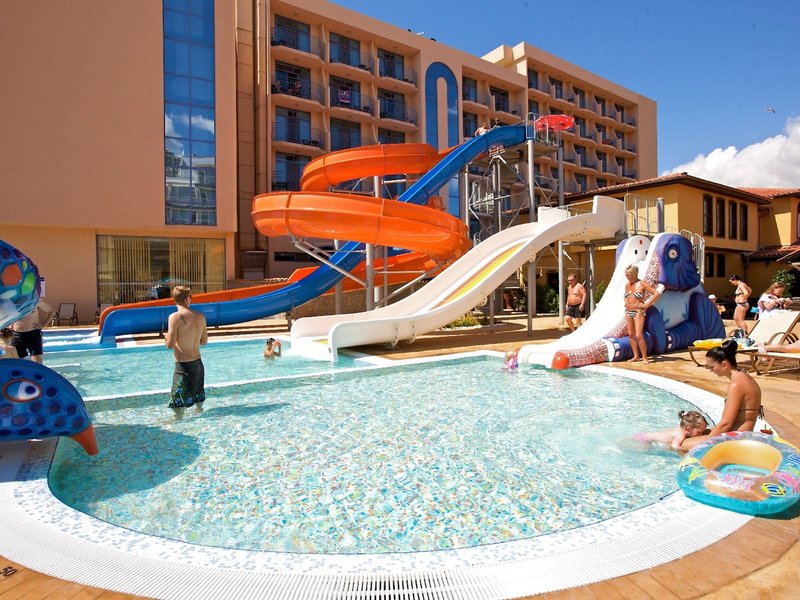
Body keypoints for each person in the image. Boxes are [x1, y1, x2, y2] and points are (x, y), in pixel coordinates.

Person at [681, 339, 762, 451]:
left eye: (712, 367)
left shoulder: (736, 384)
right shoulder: (745, 377)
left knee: (680, 444)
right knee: (693, 433)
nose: (711, 370)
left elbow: (726, 424)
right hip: (741, 434)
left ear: (724, 364)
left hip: (736, 438)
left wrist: (706, 444)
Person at [165, 286, 208, 418]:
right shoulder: (200, 316)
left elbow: (170, 345)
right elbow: (204, 341)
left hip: (183, 365)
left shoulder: (175, 317)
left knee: (178, 402)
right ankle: (199, 414)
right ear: (187, 299)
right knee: (198, 395)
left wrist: (166, 338)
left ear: (175, 300)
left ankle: (177, 421)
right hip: (198, 364)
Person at [623, 264, 661, 364]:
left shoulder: (642, 284)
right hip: (628, 312)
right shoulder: (627, 285)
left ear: (634, 274)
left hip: (638, 312)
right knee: (631, 335)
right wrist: (626, 303)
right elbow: (627, 297)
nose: (627, 277)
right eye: (626, 275)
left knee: (639, 335)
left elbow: (656, 293)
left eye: (628, 275)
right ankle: (636, 356)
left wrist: (646, 305)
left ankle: (645, 358)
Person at [634, 410, 710, 451]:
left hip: (642, 436)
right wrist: (687, 450)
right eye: (699, 432)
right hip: (644, 439)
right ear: (688, 428)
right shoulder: (681, 434)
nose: (701, 435)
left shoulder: (684, 429)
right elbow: (674, 446)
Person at [10, 299, 55, 364]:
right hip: (17, 335)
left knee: (37, 361)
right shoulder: (13, 301)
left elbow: (51, 311)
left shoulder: (35, 300)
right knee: (15, 361)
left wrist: (43, 325)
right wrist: (8, 324)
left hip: (33, 333)